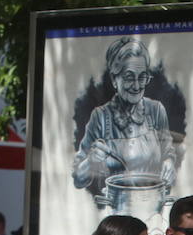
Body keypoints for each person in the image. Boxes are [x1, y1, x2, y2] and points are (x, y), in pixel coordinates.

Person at [73, 37, 179, 211]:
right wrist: (91, 161)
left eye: (142, 77)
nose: (137, 86)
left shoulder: (156, 111)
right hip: (118, 214)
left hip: (153, 211)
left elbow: (168, 152)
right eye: (129, 77)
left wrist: (168, 163)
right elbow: (78, 178)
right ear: (115, 79)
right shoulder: (100, 117)